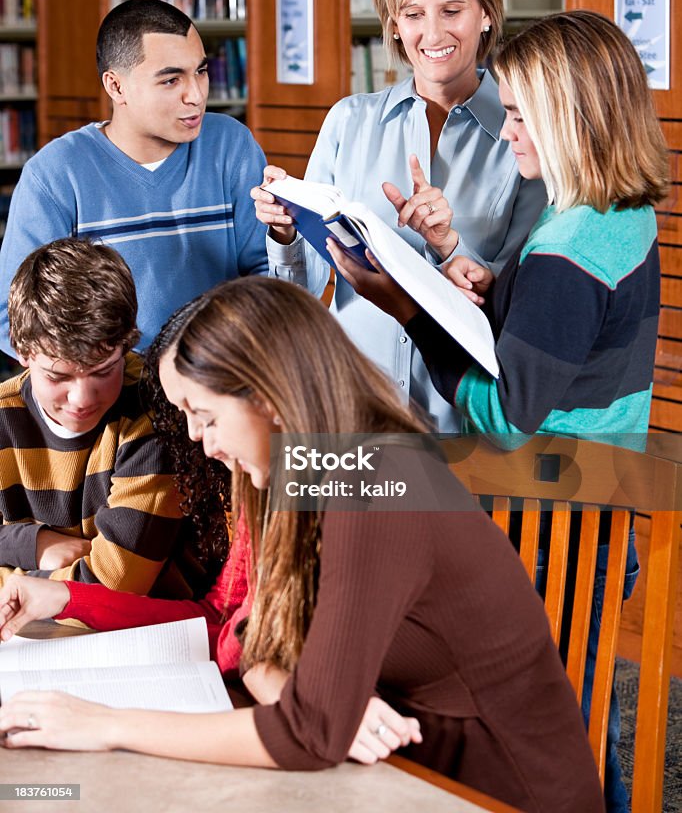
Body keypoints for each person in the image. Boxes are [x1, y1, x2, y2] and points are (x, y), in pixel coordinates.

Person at [0, 278, 604, 813]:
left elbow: (308, 734)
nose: (197, 441)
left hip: (485, 791)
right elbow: (243, 632)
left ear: (267, 395)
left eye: (203, 414)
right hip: (379, 777)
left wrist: (105, 725)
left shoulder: (377, 487)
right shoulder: (300, 469)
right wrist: (295, 686)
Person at [329, 10, 669, 813]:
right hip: (598, 501)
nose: (505, 127)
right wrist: (469, 274)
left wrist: (412, 313)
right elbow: (559, 342)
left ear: (567, 115)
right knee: (571, 714)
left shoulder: (566, 249)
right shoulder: (615, 214)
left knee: (540, 727)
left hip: (551, 516)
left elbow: (509, 414)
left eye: (519, 113)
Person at [252, 0, 546, 433]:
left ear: (487, 16)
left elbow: (519, 300)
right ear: (393, 25)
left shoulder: (527, 138)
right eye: (413, 15)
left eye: (452, 11)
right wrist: (285, 233)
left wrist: (450, 247)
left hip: (464, 418)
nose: (432, 34)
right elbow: (304, 288)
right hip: (354, 408)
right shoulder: (349, 120)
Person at [0, 0, 268, 356]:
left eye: (201, 72)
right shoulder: (55, 175)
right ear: (116, 86)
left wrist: (288, 236)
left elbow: (268, 278)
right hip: (112, 397)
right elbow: (14, 321)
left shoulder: (232, 145)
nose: (197, 95)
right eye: (171, 80)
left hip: (222, 380)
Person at [0, 237, 204, 598]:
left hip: (148, 636)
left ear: (127, 345)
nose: (82, 398)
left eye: (103, 370)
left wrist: (18, 583)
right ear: (22, 352)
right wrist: (31, 543)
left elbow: (111, 587)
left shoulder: (155, 412)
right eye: (58, 376)